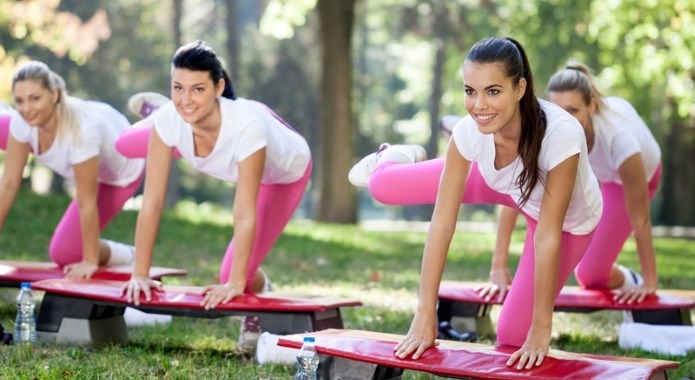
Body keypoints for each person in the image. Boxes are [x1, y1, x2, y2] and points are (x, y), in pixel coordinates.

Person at [348, 37, 602, 369]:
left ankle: (529, 326)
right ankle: (396, 155)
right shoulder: (470, 132)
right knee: (382, 186)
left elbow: (547, 234)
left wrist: (541, 329)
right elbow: (442, 222)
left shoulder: (562, 134)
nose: (479, 104)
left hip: (566, 222)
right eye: (470, 91)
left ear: (520, 88)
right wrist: (426, 313)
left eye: (493, 91)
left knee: (513, 336)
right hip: (498, 180)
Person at [118, 41, 312, 351]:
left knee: (233, 273)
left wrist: (236, 283)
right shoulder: (171, 117)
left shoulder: (246, 125)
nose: (185, 99)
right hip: (215, 130)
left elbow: (245, 211)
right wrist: (139, 274)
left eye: (198, 89)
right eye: (178, 88)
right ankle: (153, 111)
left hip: (282, 173)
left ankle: (261, 294)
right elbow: (152, 202)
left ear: (218, 86)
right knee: (127, 142)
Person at [490, 61, 662, 306]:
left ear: (591, 106)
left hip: (635, 177)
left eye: (573, 110)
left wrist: (649, 281)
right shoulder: (547, 129)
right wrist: (498, 266)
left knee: (589, 274)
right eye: (556, 109)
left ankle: (632, 279)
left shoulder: (621, 141)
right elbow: (513, 194)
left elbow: (641, 221)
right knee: (588, 274)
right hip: (597, 174)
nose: (563, 119)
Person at [0, 61, 145, 279]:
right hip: (74, 132)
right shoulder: (23, 119)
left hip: (119, 172)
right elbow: (9, 184)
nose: (26, 108)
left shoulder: (81, 133)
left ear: (55, 94)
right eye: (19, 101)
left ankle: (128, 255)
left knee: (65, 253)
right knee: (12, 124)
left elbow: (87, 202)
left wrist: (90, 260)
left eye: (35, 98)